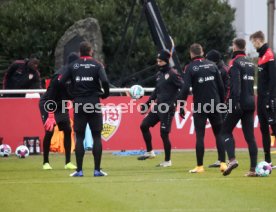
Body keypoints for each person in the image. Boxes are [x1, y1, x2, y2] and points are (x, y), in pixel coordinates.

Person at [60, 41, 110, 177]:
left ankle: (79, 170)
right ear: (91, 52)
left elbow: (61, 82)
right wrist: (105, 94)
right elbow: (105, 81)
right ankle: (97, 170)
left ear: (79, 53)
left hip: (80, 103)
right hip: (94, 102)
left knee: (80, 136)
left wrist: (71, 95)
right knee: (96, 136)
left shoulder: (73, 66)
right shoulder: (97, 65)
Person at [179, 43, 227, 173]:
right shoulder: (212, 65)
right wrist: (222, 105)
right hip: (216, 104)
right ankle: (223, 163)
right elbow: (221, 87)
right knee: (219, 134)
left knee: (200, 136)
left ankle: (200, 166)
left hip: (200, 105)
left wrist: (181, 105)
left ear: (191, 53)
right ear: (202, 52)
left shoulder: (190, 67)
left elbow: (185, 89)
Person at [138, 49, 183, 167]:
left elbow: (184, 89)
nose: (158, 63)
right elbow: (156, 90)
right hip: (158, 107)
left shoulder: (173, 74)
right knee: (144, 125)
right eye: (157, 61)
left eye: (161, 61)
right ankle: (150, 152)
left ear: (167, 61)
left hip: (168, 108)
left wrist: (178, 104)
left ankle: (168, 161)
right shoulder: (159, 74)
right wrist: (147, 104)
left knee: (164, 134)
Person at [222, 38, 258, 177]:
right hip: (250, 102)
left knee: (225, 131)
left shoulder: (235, 63)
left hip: (238, 102)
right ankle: (253, 169)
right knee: (250, 137)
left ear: (235, 47)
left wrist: (232, 103)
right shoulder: (250, 63)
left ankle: (231, 160)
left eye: (232, 45)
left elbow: (235, 86)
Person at [39, 52, 79, 170]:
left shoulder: (74, 75)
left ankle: (67, 163)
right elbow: (50, 96)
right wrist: (50, 115)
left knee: (67, 130)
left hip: (61, 104)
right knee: (50, 131)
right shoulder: (58, 76)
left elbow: (72, 94)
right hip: (48, 104)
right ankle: (45, 162)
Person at [250, 31, 276, 166]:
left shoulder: (269, 56)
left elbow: (273, 80)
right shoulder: (261, 57)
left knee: (274, 128)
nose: (253, 45)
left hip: (268, 99)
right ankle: (268, 160)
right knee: (264, 129)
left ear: (258, 40)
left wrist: (271, 98)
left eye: (253, 42)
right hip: (260, 98)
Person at [206, 49, 229, 168]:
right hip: (218, 104)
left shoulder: (223, 70)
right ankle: (221, 159)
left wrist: (223, 104)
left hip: (223, 105)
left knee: (223, 132)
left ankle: (227, 158)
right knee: (220, 133)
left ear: (214, 60)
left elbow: (227, 88)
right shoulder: (217, 69)